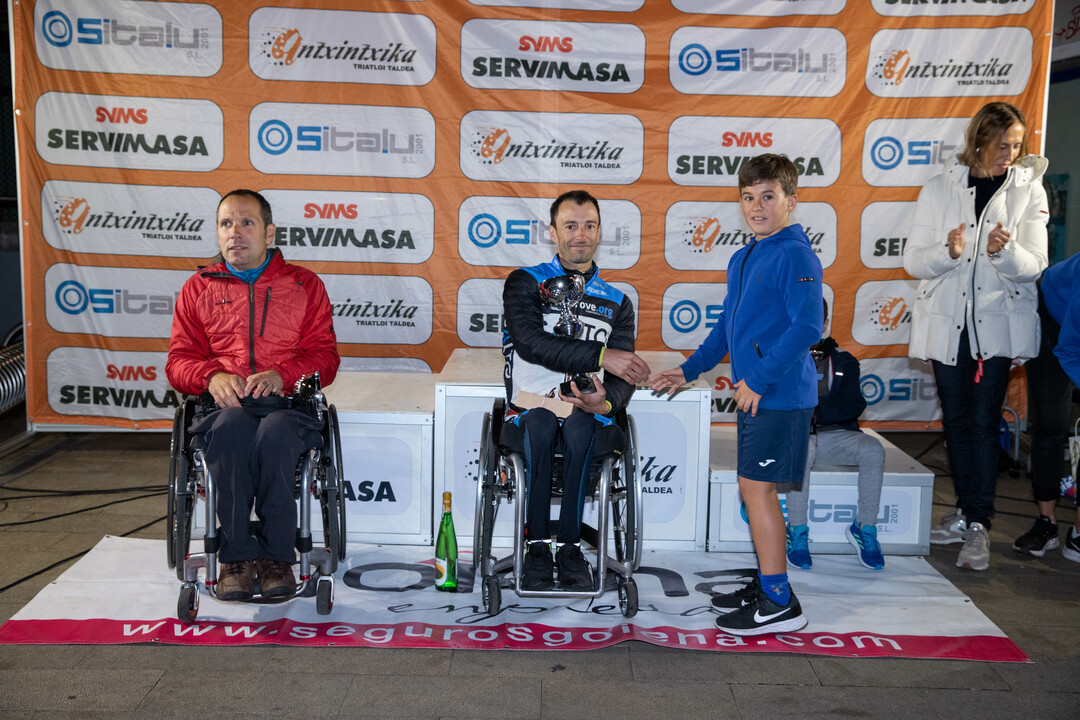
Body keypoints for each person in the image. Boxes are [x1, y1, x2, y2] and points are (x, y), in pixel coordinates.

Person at [650, 154, 822, 635]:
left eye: (768, 196)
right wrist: (688, 369)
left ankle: (779, 602)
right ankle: (769, 585)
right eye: (748, 197)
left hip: (778, 395)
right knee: (755, 490)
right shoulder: (745, 255)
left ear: (791, 201)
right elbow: (727, 326)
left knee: (757, 492)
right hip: (758, 395)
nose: (756, 206)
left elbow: (808, 326)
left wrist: (761, 378)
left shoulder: (795, 254)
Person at [166, 189, 340, 601]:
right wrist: (210, 376)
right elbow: (178, 362)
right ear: (217, 232)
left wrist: (284, 374)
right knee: (231, 429)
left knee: (275, 435)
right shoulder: (198, 288)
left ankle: (276, 558)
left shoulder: (304, 284)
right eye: (226, 223)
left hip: (287, 406)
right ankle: (237, 558)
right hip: (224, 409)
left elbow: (326, 357)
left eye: (246, 222)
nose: (235, 232)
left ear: (269, 232)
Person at [903, 101, 1048, 571]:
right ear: (980, 140)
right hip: (948, 325)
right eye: (1003, 145)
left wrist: (1004, 253)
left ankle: (980, 522)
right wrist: (948, 251)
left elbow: (1035, 264)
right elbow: (913, 260)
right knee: (957, 422)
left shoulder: (1028, 189)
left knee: (984, 424)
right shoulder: (939, 187)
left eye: (1017, 145)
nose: (1011, 154)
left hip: (995, 327)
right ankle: (965, 513)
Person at [502, 189, 652, 591]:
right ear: (553, 232)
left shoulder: (618, 301)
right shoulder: (525, 282)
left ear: (600, 232)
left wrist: (607, 401)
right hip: (530, 407)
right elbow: (531, 343)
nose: (580, 234)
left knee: (581, 426)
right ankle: (536, 547)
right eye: (570, 226)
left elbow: (623, 374)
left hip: (586, 414)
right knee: (540, 423)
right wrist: (601, 355)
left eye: (589, 225)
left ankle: (570, 548)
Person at [783, 299, 886, 572]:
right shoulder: (781, 357)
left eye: (814, 320)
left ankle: (865, 527)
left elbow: (852, 405)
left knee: (873, 449)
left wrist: (811, 410)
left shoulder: (844, 361)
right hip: (798, 437)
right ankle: (797, 531)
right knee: (802, 448)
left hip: (837, 436)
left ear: (825, 324)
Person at [1014, 250, 1080, 562]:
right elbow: (1070, 350)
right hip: (1055, 314)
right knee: (1052, 423)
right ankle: (1046, 523)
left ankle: (1077, 534)